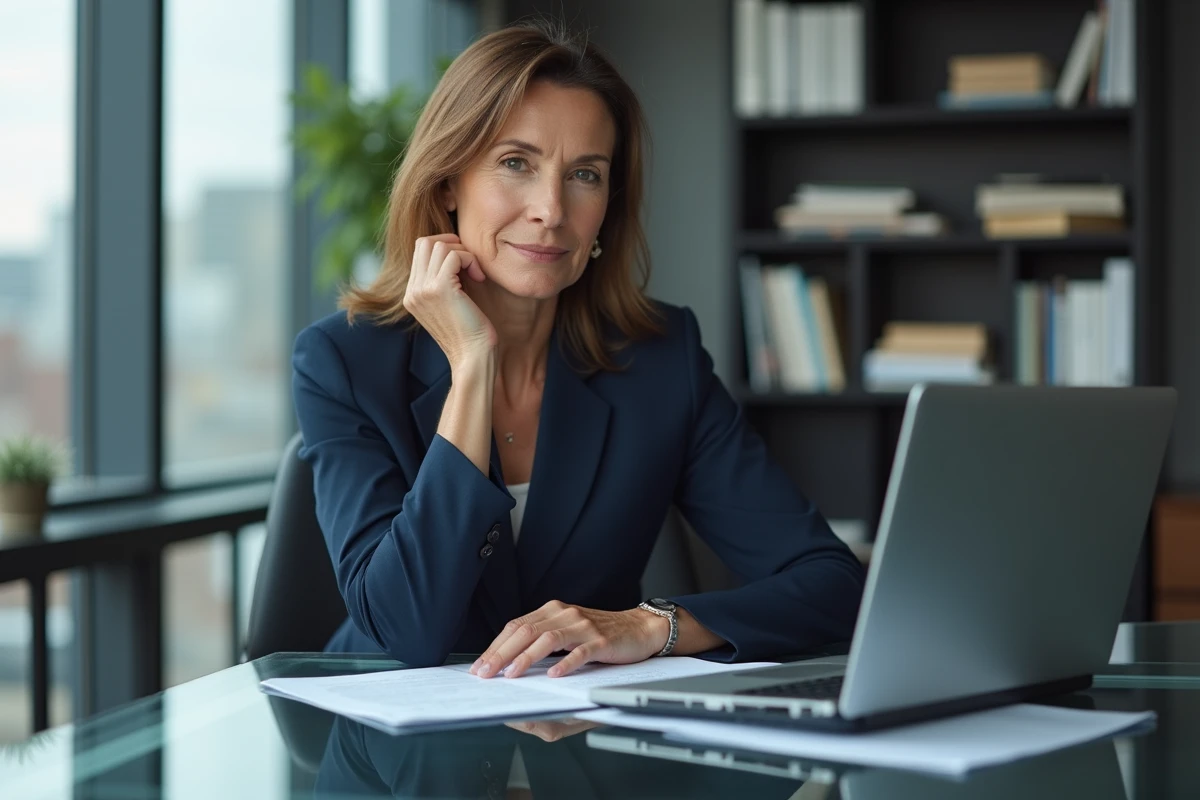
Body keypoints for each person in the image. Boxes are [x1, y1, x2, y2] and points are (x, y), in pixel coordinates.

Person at [291, 19, 864, 679]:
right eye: (516, 163)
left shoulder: (659, 360)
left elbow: (831, 583)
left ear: (606, 209)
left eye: (585, 175)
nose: (551, 209)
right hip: (395, 752)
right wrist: (473, 369)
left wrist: (655, 626)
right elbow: (405, 631)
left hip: (583, 744)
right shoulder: (343, 363)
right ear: (448, 182)